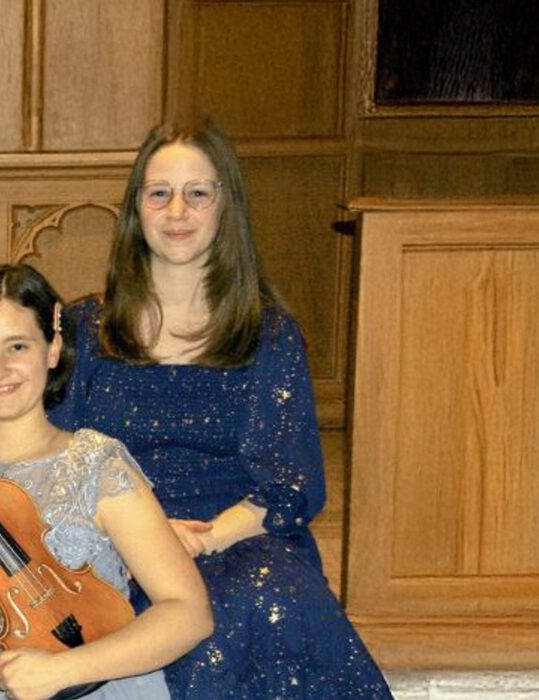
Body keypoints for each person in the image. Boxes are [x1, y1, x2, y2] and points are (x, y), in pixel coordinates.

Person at [47, 122, 391, 698]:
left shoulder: (269, 334)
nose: (177, 211)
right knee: (175, 621)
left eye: (198, 193)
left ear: (225, 206)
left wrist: (197, 542)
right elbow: (52, 465)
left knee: (266, 599)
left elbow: (289, 486)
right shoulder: (85, 328)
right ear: (136, 209)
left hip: (237, 537)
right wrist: (146, 539)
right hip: (116, 546)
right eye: (159, 193)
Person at [0, 264, 213, 700]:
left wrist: (63, 669)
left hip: (102, 682)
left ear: (53, 349)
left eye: (17, 346)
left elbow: (190, 613)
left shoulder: (96, 464)